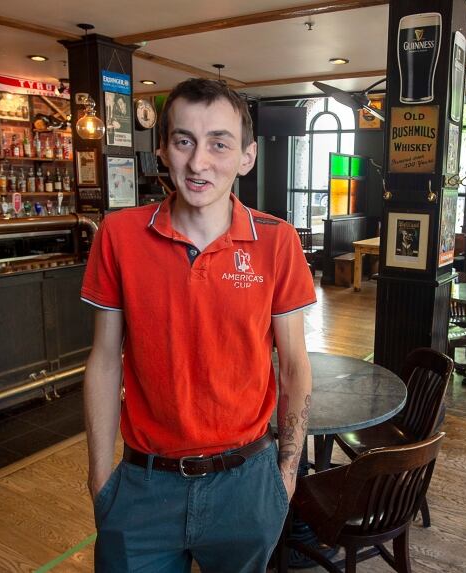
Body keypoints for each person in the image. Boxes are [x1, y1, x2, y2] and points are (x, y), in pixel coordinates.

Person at [81, 78, 315, 572]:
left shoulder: (277, 241)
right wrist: (100, 479)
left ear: (246, 156)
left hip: (246, 482)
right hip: (143, 484)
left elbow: (293, 365)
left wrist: (286, 473)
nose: (198, 161)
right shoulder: (119, 235)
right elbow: (104, 360)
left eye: (219, 143)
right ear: (162, 150)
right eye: (184, 140)